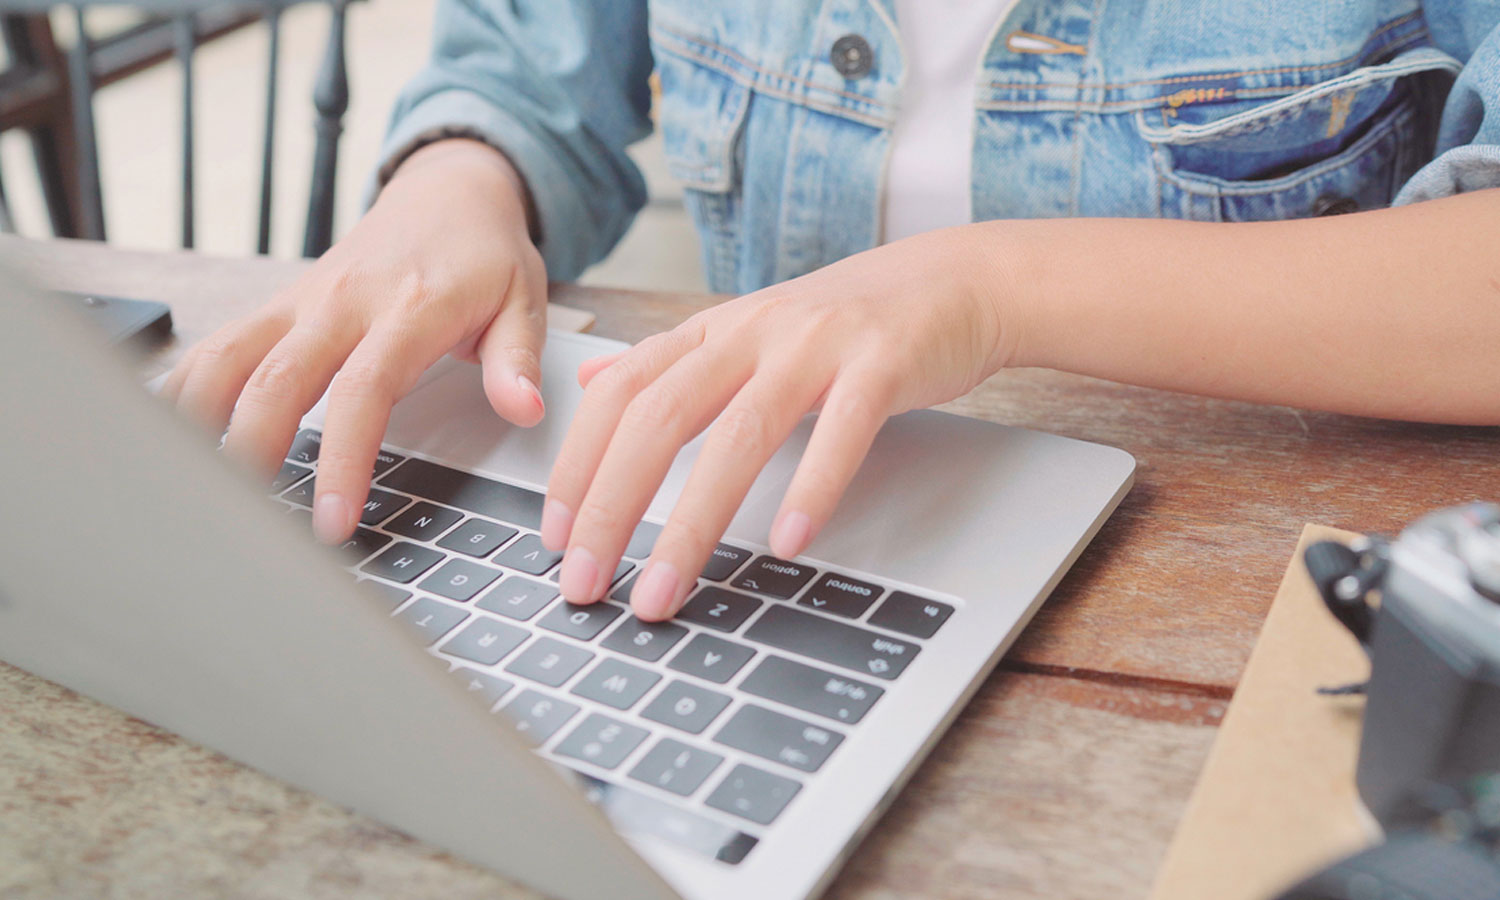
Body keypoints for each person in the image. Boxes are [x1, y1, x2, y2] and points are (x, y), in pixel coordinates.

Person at [162, 1, 1500, 622]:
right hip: (763, 546)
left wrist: (985, 286)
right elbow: (529, 62)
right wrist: (452, 188)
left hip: (1229, 601)